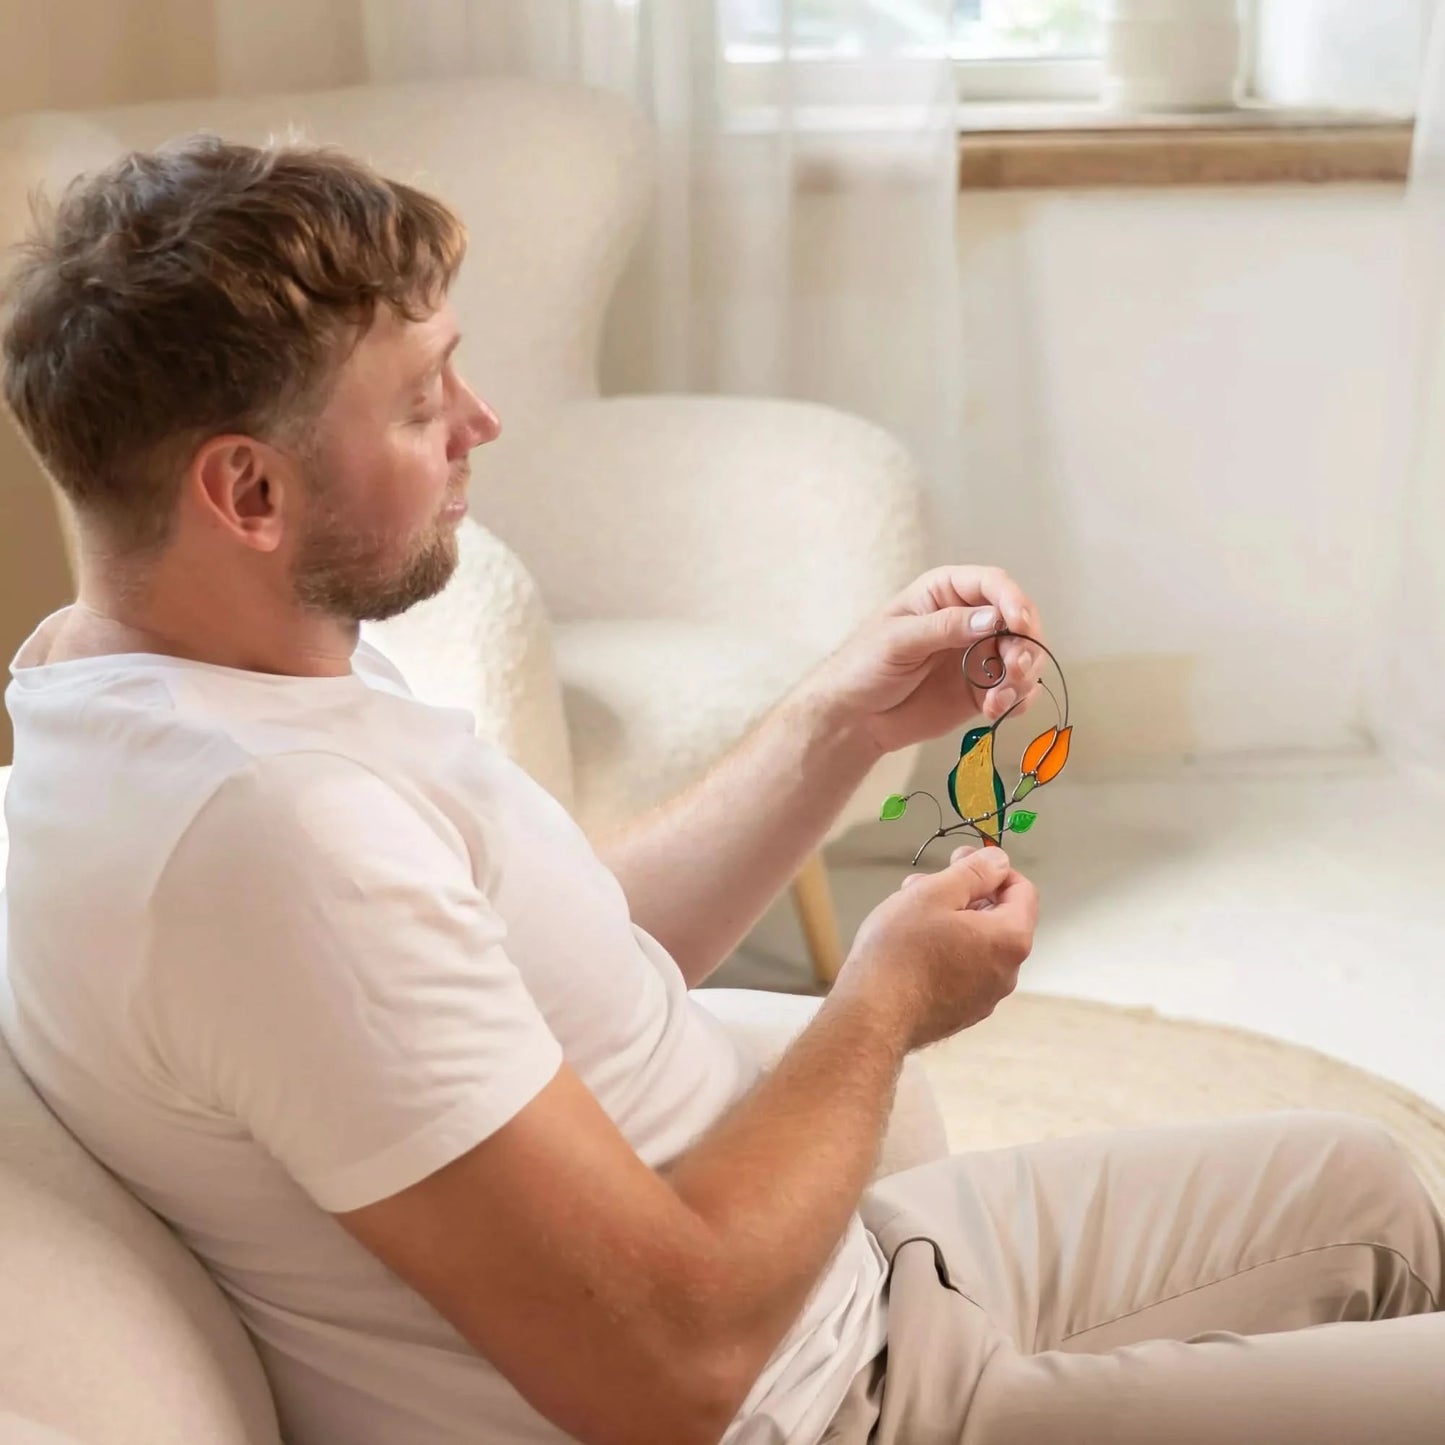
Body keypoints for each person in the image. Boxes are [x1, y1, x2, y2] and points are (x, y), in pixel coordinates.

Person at [0, 135, 1440, 1445]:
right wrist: (882, 1001)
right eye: (423, 401)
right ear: (246, 494)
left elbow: (556, 960)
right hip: (825, 1408)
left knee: (1371, 1189)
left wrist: (840, 724)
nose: (482, 423)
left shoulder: (139, 675)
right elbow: (668, 1369)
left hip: (848, 1284)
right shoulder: (263, 838)